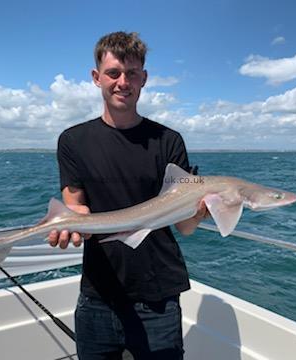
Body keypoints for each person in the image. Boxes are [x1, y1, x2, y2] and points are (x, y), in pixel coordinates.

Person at [49, 31, 208, 360]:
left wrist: (201, 210)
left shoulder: (169, 141)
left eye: (132, 73)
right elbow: (76, 205)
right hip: (98, 293)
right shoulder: (73, 141)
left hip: (158, 295)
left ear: (144, 78)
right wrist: (67, 224)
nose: (123, 82)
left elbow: (186, 228)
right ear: (97, 78)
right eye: (114, 73)